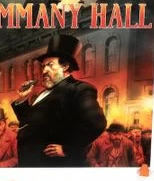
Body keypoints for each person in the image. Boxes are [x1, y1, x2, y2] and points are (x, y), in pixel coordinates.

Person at [11, 32, 107, 167]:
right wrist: (23, 98)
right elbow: (28, 123)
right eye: (43, 66)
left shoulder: (79, 89)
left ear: (65, 66)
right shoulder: (44, 92)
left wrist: (68, 149)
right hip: (33, 165)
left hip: (55, 166)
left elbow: (97, 124)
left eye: (50, 65)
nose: (44, 70)